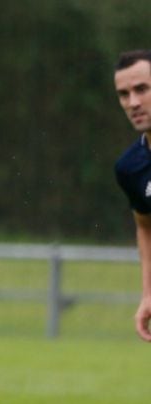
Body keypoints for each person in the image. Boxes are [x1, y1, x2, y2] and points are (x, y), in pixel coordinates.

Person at [114, 49, 151, 342]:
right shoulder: (131, 168)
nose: (133, 102)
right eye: (124, 94)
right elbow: (145, 225)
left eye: (142, 89)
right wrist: (148, 294)